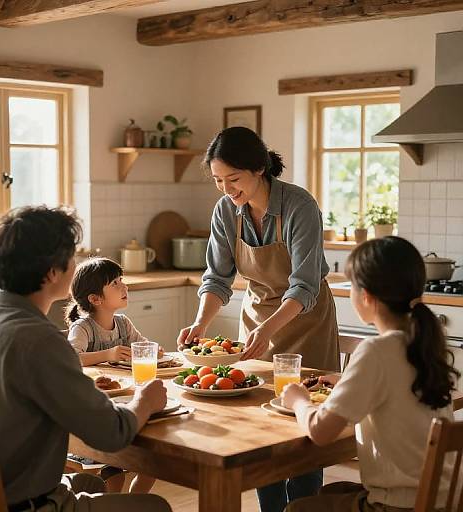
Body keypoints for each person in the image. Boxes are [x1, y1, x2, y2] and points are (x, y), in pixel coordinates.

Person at [0, 206, 171, 512]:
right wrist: (145, 400)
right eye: (71, 256)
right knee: (155, 507)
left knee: (92, 484)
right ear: (53, 272)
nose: (75, 264)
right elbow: (111, 434)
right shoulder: (39, 340)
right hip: (20, 505)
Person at [177, 126, 340, 511]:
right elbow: (217, 278)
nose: (226, 189)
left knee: (303, 431)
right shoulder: (225, 211)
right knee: (259, 433)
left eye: (233, 179)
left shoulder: (299, 206)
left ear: (259, 169)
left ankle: (304, 506)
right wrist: (200, 323)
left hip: (305, 322)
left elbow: (304, 285)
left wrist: (269, 329)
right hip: (257, 321)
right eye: (218, 180)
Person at [282, 236, 461, 512]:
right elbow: (398, 390)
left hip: (399, 506)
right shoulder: (422, 342)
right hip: (440, 500)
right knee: (332, 491)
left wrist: (297, 400)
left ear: (366, 296)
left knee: (297, 509)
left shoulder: (376, 351)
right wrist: (345, 383)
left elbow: (320, 432)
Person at [66, 257, 158, 494]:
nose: (124, 287)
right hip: (94, 410)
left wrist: (155, 350)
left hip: (124, 402)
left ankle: (134, 500)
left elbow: (144, 346)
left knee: (150, 463)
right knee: (112, 473)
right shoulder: (83, 328)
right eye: (115, 283)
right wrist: (109, 353)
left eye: (122, 280)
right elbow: (71, 357)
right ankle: (115, 500)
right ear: (95, 299)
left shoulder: (123, 324)